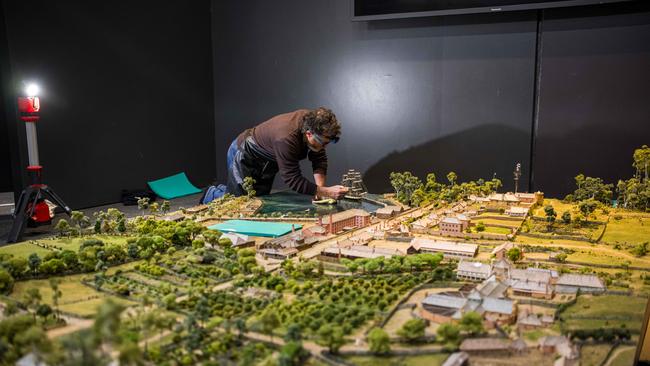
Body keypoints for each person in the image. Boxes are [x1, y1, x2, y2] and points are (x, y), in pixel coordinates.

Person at [225, 107, 348, 200]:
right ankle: (209, 193)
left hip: (268, 160)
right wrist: (326, 192)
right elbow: (293, 179)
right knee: (238, 201)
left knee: (258, 200)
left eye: (328, 143)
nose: (324, 147)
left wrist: (319, 192)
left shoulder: (313, 124)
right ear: (308, 133)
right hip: (245, 153)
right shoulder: (286, 138)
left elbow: (319, 159)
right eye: (323, 143)